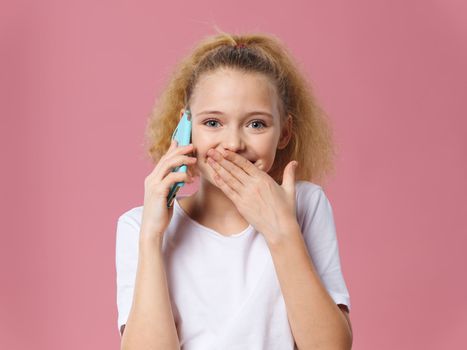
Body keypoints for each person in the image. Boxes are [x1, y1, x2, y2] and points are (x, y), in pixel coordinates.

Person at [115, 30, 353, 350]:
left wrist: (281, 230)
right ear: (185, 128)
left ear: (284, 132)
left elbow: (331, 347)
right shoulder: (138, 225)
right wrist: (151, 237)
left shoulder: (305, 205)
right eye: (213, 123)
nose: (233, 144)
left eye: (256, 124)